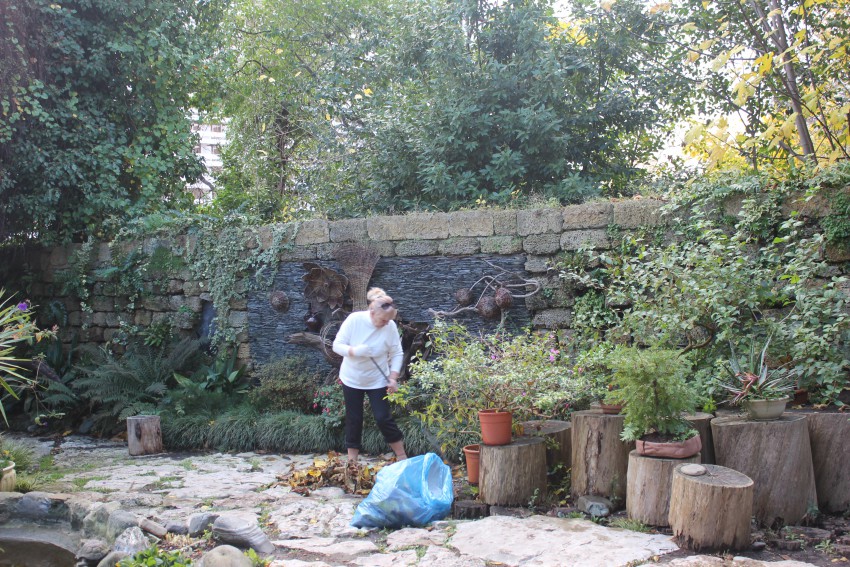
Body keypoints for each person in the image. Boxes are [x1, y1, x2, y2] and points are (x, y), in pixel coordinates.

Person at [332, 287, 407, 464]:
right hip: (352, 378)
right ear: (372, 311)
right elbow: (337, 345)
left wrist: (393, 377)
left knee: (383, 418)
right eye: (383, 320)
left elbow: (397, 353)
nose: (386, 324)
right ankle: (352, 462)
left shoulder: (390, 326)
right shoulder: (355, 320)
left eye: (389, 320)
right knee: (354, 418)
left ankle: (402, 456)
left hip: (378, 380)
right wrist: (354, 351)